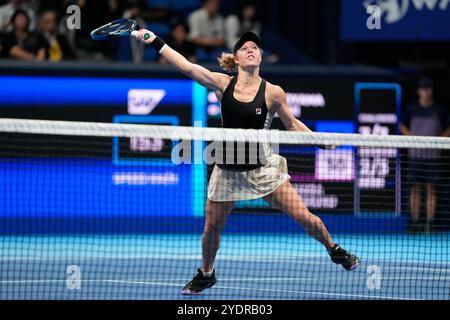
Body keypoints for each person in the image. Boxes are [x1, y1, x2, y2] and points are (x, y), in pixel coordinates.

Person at [133, 29, 360, 295]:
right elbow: (188, 68)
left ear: (260, 56)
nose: (250, 49)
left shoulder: (273, 92)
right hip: (227, 171)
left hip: (262, 171)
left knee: (305, 218)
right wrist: (155, 42)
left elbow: (292, 124)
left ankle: (333, 249)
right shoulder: (223, 84)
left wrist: (320, 141)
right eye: (244, 48)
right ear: (237, 58)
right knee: (211, 229)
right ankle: (206, 273)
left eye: (255, 47)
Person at [400, 78, 450, 233]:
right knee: (415, 189)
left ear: (431, 91)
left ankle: (429, 224)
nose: (425, 91)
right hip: (415, 155)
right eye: (423, 89)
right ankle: (414, 223)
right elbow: (402, 125)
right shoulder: (412, 109)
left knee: (431, 189)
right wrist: (412, 138)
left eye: (428, 88)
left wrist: (440, 141)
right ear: (418, 91)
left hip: (433, 157)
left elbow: (448, 128)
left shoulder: (440, 110)